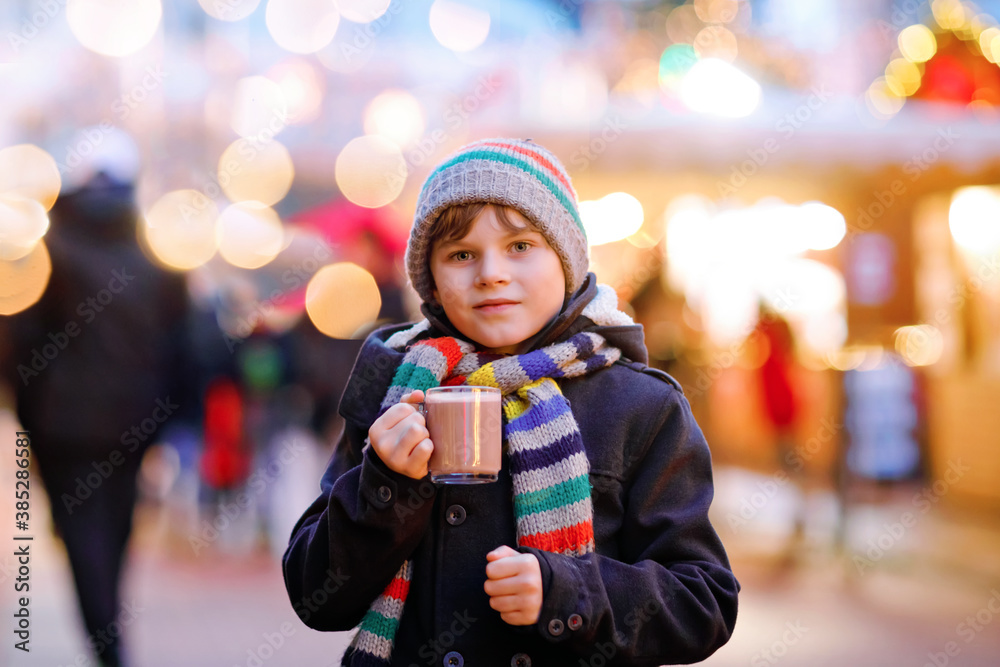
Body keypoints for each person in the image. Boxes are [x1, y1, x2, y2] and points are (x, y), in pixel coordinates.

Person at [282, 138, 739, 666]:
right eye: (460, 254)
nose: (491, 273)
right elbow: (318, 597)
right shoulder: (394, 388)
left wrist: (566, 594)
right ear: (430, 279)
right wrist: (385, 485)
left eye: (520, 245)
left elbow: (704, 602)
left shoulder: (641, 406)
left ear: (566, 259)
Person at [2, 129, 189, 667]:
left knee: (83, 535)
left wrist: (31, 414)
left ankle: (107, 644)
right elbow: (180, 346)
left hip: (64, 429)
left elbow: (20, 344)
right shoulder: (153, 259)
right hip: (131, 423)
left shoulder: (49, 250)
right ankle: (109, 639)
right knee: (115, 531)